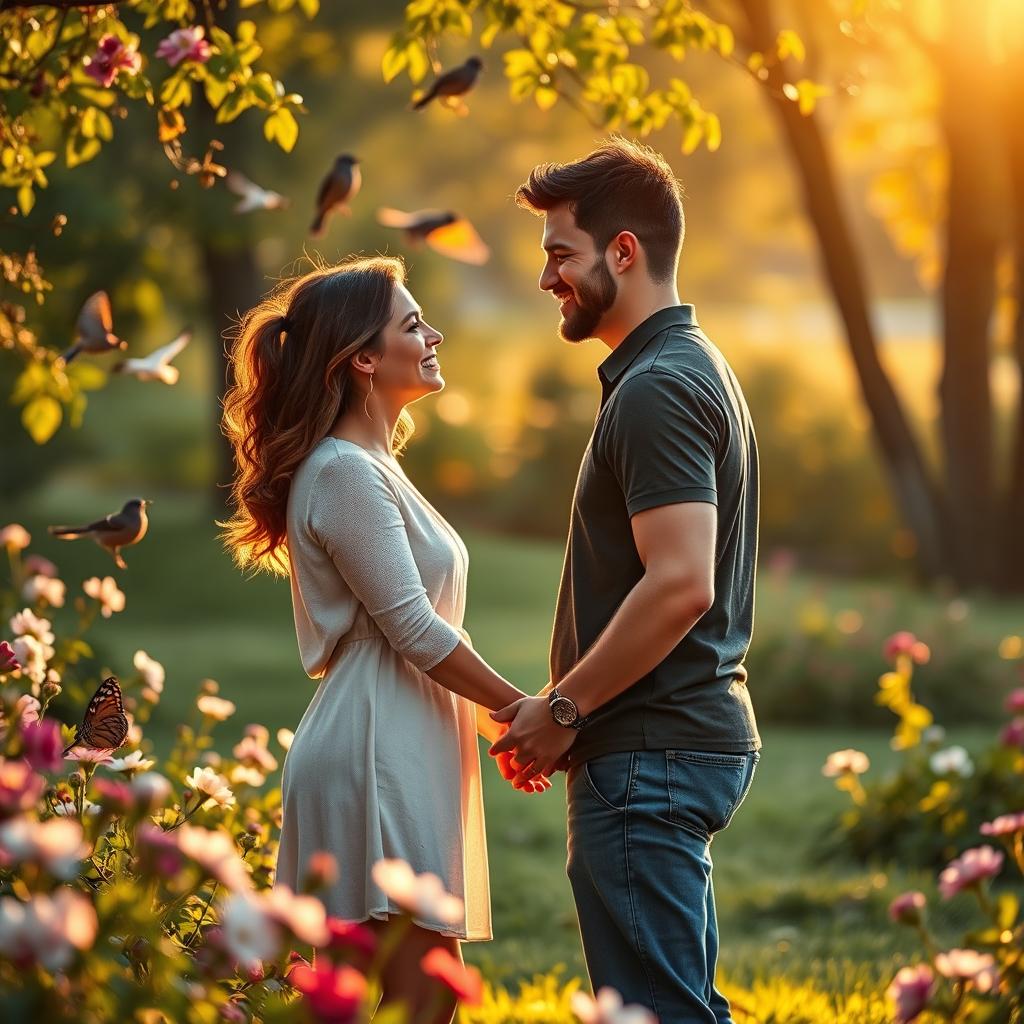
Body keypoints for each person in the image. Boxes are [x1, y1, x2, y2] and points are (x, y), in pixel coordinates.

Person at [220, 255, 547, 1024]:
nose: (433, 335)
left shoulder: (372, 465)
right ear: (363, 358)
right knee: (420, 994)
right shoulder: (343, 472)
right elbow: (412, 628)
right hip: (374, 749)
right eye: (411, 325)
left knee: (416, 996)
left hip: (403, 736)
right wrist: (522, 709)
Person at [491, 138, 762, 1024]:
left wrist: (564, 709)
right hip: (660, 749)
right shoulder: (685, 368)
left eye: (559, 254)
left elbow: (682, 582)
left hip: (649, 753)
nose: (546, 280)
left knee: (659, 1015)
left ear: (624, 251)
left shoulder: (660, 386)